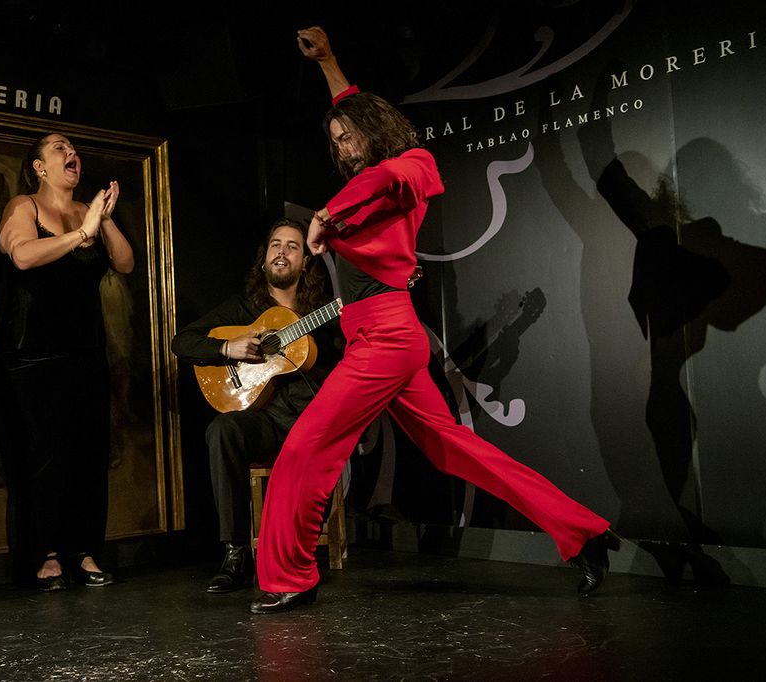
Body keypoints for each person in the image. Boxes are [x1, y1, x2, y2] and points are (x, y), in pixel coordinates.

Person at [248, 28, 619, 614]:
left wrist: (325, 214)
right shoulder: (363, 191)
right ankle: (584, 533)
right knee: (453, 451)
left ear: (375, 131)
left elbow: (388, 174)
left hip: (389, 340)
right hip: (375, 336)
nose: (343, 148)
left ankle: (291, 575)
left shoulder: (410, 167)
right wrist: (329, 63)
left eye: (350, 137)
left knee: (306, 447)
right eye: (336, 141)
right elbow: (356, 128)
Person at [0, 133, 134, 591]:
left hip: (84, 355)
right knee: (42, 459)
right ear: (38, 167)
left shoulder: (86, 213)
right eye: (57, 148)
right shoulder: (24, 205)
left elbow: (125, 263)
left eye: (73, 148)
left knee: (88, 454)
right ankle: (44, 554)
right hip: (30, 356)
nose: (71, 153)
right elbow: (23, 255)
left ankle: (83, 550)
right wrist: (81, 233)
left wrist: (102, 220)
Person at [171, 219, 338, 593]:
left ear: (305, 261)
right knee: (222, 429)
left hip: (308, 420)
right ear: (264, 258)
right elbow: (182, 342)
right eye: (275, 244)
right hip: (264, 421)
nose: (281, 251)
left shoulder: (323, 311)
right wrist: (226, 348)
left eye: (292, 246)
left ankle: (297, 556)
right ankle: (236, 555)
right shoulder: (245, 308)